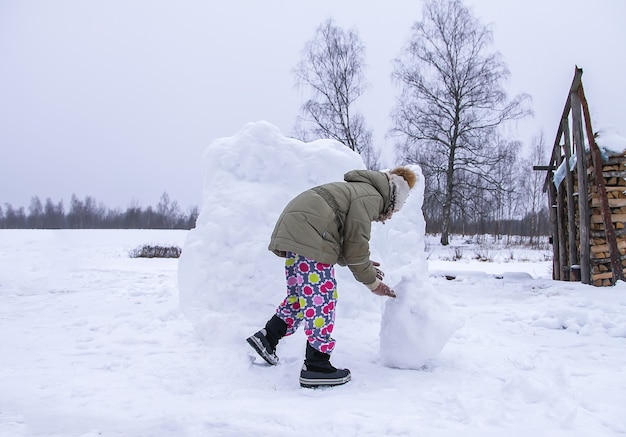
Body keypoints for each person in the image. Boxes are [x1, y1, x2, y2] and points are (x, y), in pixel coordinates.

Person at [246, 167, 416, 388]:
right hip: (310, 231)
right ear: (393, 198)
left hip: (298, 227)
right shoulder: (371, 197)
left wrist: (362, 265)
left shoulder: (361, 190)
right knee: (321, 298)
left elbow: (347, 245)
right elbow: (356, 245)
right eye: (394, 210)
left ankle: (267, 339)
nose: (391, 215)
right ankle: (316, 365)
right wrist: (373, 283)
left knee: (302, 296)